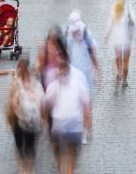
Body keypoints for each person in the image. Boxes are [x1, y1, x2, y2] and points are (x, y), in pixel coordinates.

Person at [43, 38, 91, 174]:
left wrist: (46, 124)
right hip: (74, 126)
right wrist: (87, 128)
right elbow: (86, 105)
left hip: (60, 126)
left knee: (62, 159)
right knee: (69, 160)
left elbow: (45, 106)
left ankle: (61, 170)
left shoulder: (54, 84)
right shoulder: (78, 79)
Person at [6, 56, 43, 174]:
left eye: (22, 67)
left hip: (32, 120)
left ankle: (28, 170)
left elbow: (40, 100)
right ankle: (22, 168)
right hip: (17, 118)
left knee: (30, 147)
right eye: (19, 67)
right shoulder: (15, 81)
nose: (20, 69)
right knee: (19, 144)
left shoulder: (34, 82)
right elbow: (11, 100)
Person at [105, 0, 135, 88]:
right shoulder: (128, 9)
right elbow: (134, 22)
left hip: (117, 40)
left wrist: (107, 35)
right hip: (126, 40)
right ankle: (124, 80)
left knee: (118, 58)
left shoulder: (114, 9)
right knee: (126, 61)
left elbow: (110, 24)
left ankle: (118, 72)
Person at [65, 10, 100, 93]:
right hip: (74, 74)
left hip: (85, 74)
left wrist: (98, 72)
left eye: (77, 31)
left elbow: (93, 54)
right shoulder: (68, 37)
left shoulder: (87, 38)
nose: (75, 34)